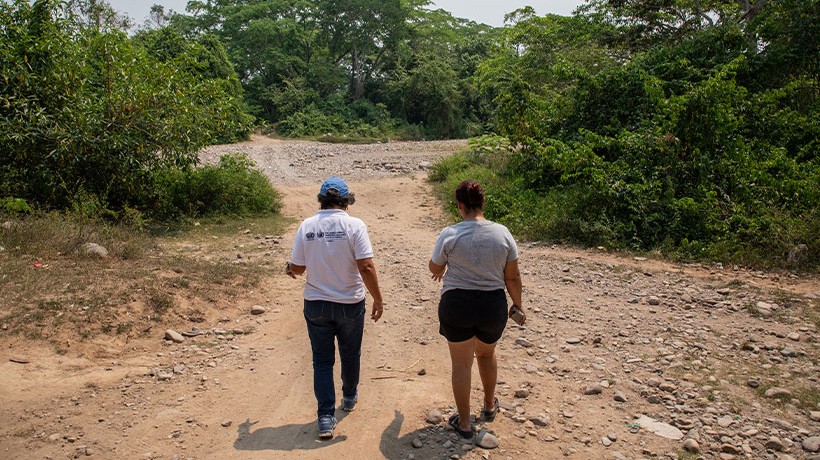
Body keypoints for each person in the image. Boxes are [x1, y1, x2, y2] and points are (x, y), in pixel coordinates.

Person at [286, 176, 384, 440]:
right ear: (345, 203)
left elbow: (297, 267)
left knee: (322, 360)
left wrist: (289, 268)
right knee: (350, 354)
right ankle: (349, 397)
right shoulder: (355, 226)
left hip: (316, 304)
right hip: (350, 304)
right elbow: (365, 266)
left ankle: (326, 417)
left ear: (321, 201)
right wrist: (378, 298)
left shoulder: (307, 226)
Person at [428, 179, 524, 439]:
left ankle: (465, 424)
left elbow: (434, 268)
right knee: (486, 353)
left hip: (457, 304)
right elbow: (512, 277)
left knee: (461, 364)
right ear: (483, 202)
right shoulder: (502, 233)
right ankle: (489, 405)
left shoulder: (450, 233)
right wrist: (517, 304)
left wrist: (446, 266)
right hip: (491, 305)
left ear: (459, 205)